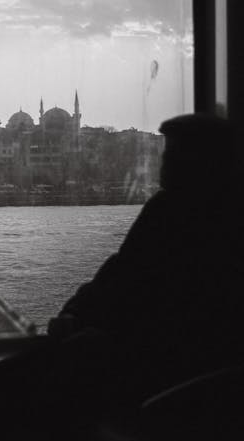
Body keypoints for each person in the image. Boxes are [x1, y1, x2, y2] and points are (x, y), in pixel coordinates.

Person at [47, 112, 244, 405]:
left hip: (161, 370)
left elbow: (122, 279)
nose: (164, 163)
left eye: (174, 154)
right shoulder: (222, 212)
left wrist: (75, 315)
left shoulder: (169, 210)